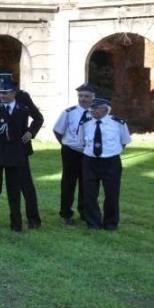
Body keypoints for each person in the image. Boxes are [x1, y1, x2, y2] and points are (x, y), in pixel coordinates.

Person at [0, 77, 43, 233]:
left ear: (14, 93)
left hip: (16, 155)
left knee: (14, 191)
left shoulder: (22, 109)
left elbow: (37, 119)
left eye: (6, 93)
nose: (2, 96)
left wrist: (30, 132)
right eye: (0, 93)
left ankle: (16, 223)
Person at [79, 97, 131, 231]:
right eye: (92, 108)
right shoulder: (85, 122)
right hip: (90, 161)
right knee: (89, 193)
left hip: (111, 161)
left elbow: (124, 141)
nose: (93, 111)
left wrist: (110, 152)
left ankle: (110, 223)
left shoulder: (118, 123)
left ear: (106, 109)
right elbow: (81, 142)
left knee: (112, 193)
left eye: (96, 108)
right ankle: (93, 223)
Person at [52, 83, 97, 225]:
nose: (83, 99)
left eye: (86, 96)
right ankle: (65, 213)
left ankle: (85, 212)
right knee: (68, 183)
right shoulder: (69, 112)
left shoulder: (97, 113)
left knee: (87, 183)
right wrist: (67, 144)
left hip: (89, 153)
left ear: (93, 98)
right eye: (80, 96)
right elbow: (58, 130)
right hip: (71, 151)